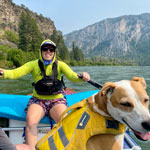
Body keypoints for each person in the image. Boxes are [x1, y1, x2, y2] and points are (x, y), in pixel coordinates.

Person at [0, 39, 90, 150]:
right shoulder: (33, 65)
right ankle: (31, 147)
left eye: (51, 49)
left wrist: (82, 77)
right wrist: (4, 73)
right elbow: (16, 72)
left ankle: (66, 146)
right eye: (45, 48)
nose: (48, 51)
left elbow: (73, 76)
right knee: (31, 120)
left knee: (65, 120)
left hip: (57, 101)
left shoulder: (61, 65)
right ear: (41, 51)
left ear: (54, 52)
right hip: (38, 100)